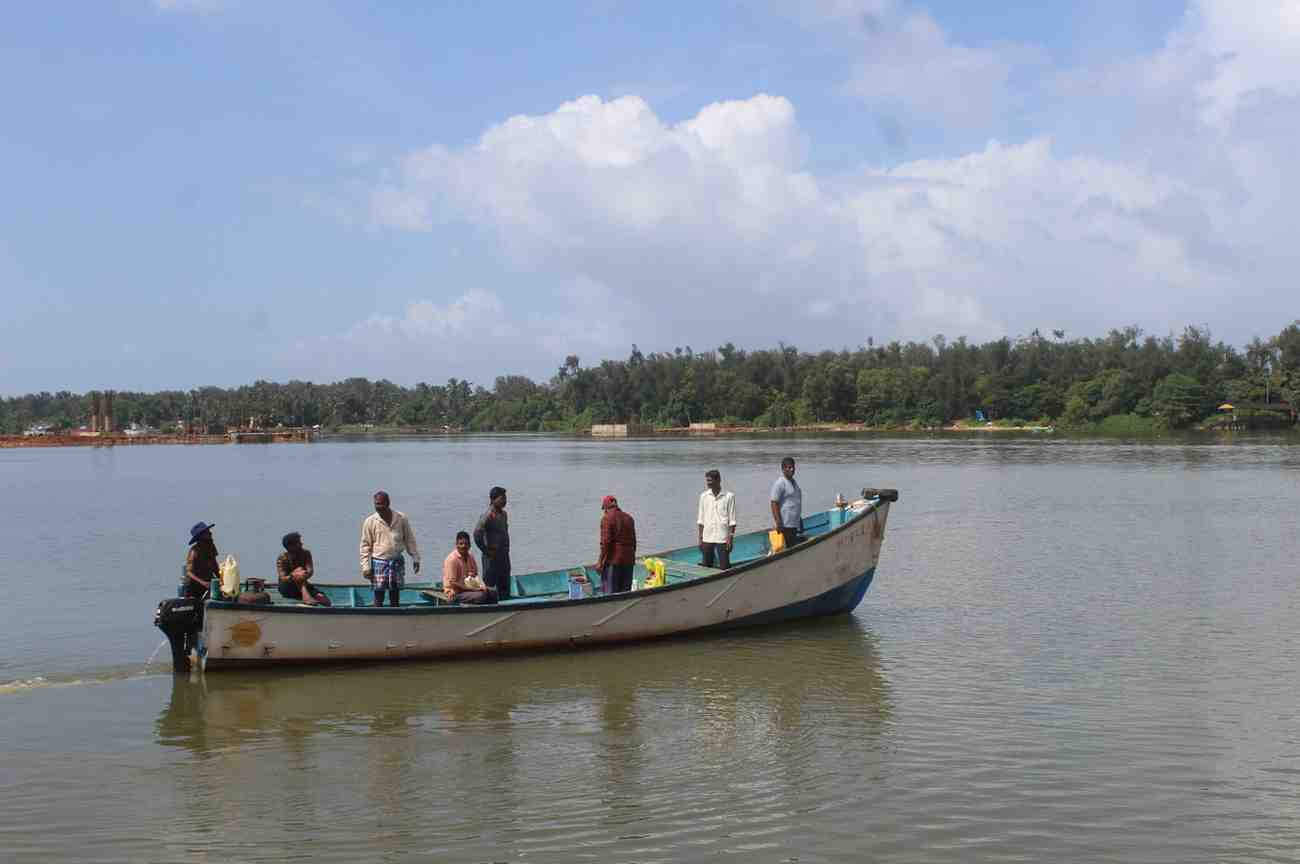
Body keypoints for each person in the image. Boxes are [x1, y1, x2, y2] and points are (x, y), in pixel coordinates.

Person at [360, 490, 421, 607]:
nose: (378, 507)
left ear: (388, 503)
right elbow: (365, 546)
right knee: (378, 595)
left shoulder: (401, 518)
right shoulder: (370, 521)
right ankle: (377, 615)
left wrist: (415, 558)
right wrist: (366, 567)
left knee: (395, 594)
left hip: (396, 561)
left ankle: (395, 614)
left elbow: (409, 540)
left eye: (381, 504)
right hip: (378, 562)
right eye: (376, 504)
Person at [473, 486, 512, 600]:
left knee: (505, 584)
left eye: (505, 498)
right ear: (493, 499)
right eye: (502, 498)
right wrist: (485, 550)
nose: (505, 501)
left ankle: (505, 602)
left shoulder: (504, 514)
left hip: (504, 555)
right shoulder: (488, 516)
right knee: (490, 585)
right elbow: (477, 534)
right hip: (491, 557)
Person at [276, 531, 331, 606]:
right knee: (298, 572)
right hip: (287, 587)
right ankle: (306, 596)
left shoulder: (306, 553)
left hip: (303, 584)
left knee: (325, 601)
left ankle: (305, 594)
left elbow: (310, 571)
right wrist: (293, 575)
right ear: (290, 546)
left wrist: (301, 575)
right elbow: (283, 578)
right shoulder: (282, 558)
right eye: (298, 542)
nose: (301, 544)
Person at [595, 495, 637, 594]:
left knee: (611, 594)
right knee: (626, 594)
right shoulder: (629, 518)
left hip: (614, 561)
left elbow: (606, 542)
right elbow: (634, 542)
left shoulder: (606, 518)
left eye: (604, 510)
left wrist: (600, 562)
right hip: (629, 560)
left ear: (606, 508)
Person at [697, 469, 737, 569]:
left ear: (718, 480)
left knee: (724, 566)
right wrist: (700, 538)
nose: (708, 483)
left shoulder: (729, 496)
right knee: (706, 567)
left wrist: (730, 538)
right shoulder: (704, 496)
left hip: (722, 537)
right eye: (707, 481)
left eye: (710, 481)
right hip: (707, 536)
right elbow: (701, 519)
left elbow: (732, 521)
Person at [443, 531, 496, 604]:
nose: (463, 546)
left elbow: (475, 575)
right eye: (461, 544)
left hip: (469, 589)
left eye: (466, 544)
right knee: (481, 596)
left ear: (470, 545)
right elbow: (453, 584)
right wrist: (474, 590)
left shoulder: (470, 557)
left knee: (493, 593)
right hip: (455, 593)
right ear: (456, 545)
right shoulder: (452, 560)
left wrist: (483, 586)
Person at [769, 456, 803, 550]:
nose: (792, 469)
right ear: (783, 469)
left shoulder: (794, 483)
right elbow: (774, 503)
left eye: (793, 467)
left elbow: (795, 503)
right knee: (786, 549)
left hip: (794, 524)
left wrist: (799, 520)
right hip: (785, 525)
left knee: (792, 547)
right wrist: (778, 522)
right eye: (789, 467)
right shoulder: (780, 483)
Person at [182, 521, 219, 599]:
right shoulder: (194, 552)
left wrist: (222, 580)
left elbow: (215, 567)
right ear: (201, 537)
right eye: (207, 533)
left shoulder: (211, 547)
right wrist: (203, 583)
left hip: (208, 583)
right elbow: (189, 572)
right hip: (194, 586)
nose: (210, 534)